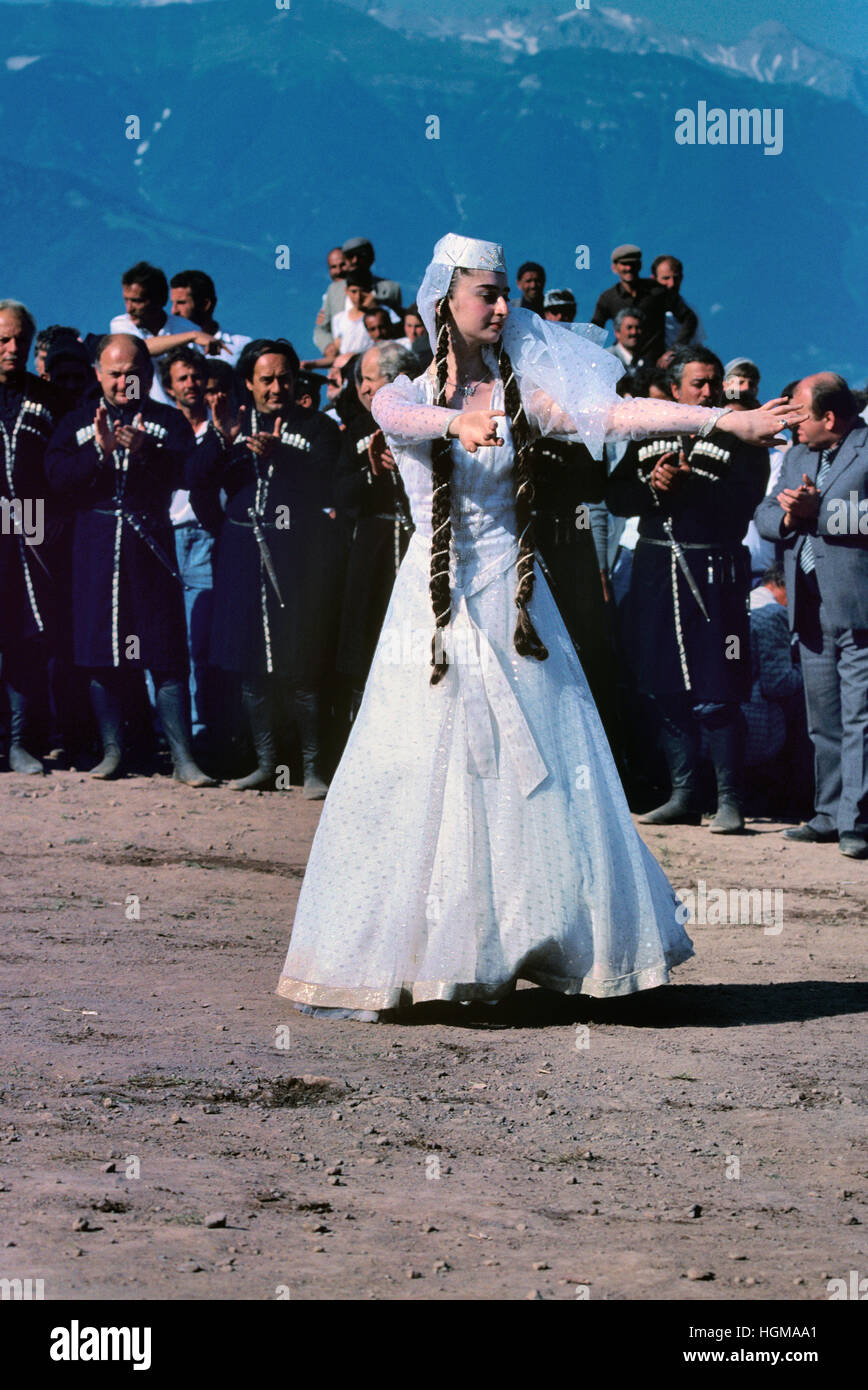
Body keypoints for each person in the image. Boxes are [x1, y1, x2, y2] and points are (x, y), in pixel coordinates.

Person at [276, 233, 794, 1022]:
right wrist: (456, 425)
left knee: (545, 772)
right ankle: (429, 953)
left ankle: (534, 939)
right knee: (425, 765)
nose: (502, 305)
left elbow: (612, 412)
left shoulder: (522, 395)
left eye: (503, 293)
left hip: (516, 605)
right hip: (438, 605)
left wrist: (723, 420)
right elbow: (399, 414)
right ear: (447, 303)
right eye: (486, 292)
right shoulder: (406, 388)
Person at [606, 346, 776, 834]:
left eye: (714, 382)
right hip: (657, 570)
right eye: (698, 384)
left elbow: (742, 503)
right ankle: (683, 794)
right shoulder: (651, 433)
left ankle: (729, 798)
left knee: (717, 686)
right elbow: (615, 497)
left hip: (713, 572)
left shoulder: (743, 435)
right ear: (675, 389)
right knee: (663, 684)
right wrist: (654, 487)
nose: (709, 392)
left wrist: (689, 488)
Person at [45, 334, 216, 786]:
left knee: (164, 649)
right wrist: (97, 452)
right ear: (99, 373)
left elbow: (188, 473)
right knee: (101, 651)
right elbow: (56, 479)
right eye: (115, 373)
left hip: (150, 544)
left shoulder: (167, 420)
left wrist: (146, 451)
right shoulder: (76, 421)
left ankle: (183, 757)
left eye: (134, 373)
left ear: (149, 375)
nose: (124, 382)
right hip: (95, 547)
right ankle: (114, 751)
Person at [189, 339, 346, 796]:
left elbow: (328, 482)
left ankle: (314, 769)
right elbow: (196, 480)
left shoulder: (318, 427)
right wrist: (220, 439)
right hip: (241, 556)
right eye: (267, 379)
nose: (277, 387)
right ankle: (265, 764)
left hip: (298, 555)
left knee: (302, 663)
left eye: (284, 378)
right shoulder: (232, 423)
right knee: (249, 665)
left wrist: (283, 456)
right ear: (248, 383)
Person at [754, 373, 868, 858]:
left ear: (829, 417)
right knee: (822, 716)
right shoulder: (797, 455)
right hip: (808, 606)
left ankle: (856, 823)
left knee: (860, 718)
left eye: (801, 413)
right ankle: (826, 813)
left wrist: (815, 512)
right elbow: (761, 513)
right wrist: (785, 517)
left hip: (858, 605)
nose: (792, 422)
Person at [335, 343, 417, 723]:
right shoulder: (356, 428)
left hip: (418, 547)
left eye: (371, 379)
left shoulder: (426, 418)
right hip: (370, 550)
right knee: (365, 640)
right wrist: (372, 472)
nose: (364, 389)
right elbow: (336, 491)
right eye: (360, 381)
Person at [160, 346, 236, 744]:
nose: (192, 386)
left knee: (198, 640)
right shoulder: (161, 428)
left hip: (205, 539)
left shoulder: (222, 427)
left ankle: (201, 729)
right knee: (160, 638)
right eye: (183, 379)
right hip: (162, 541)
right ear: (169, 388)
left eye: (197, 379)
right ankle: (165, 731)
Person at [0, 299, 61, 773]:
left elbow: (60, 470)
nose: (13, 348)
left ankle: (21, 742)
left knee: (24, 635)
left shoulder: (48, 397)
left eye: (20, 338)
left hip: (31, 528)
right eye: (3, 339)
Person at [110, 261, 229, 406]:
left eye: (137, 301)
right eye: (126, 300)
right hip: (139, 413)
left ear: (160, 300)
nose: (129, 309)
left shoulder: (187, 328)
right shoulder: (120, 324)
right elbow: (137, 350)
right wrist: (132, 410)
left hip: (181, 417)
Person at [592, 244, 697, 364]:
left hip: (655, 366)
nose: (628, 268)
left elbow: (689, 318)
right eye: (624, 264)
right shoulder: (608, 298)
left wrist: (674, 350)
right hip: (622, 366)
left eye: (633, 264)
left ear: (640, 266)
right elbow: (595, 328)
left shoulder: (658, 292)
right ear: (614, 268)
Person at [315, 238, 402, 354]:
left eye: (360, 256)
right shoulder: (334, 290)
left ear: (371, 259)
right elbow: (322, 328)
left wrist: (376, 306)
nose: (355, 261)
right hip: (343, 361)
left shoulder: (390, 289)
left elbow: (402, 327)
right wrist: (329, 347)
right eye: (350, 256)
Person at [169, 270, 251, 367]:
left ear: (205, 304)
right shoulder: (169, 344)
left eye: (181, 303)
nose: (174, 311)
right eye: (172, 303)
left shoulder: (241, 345)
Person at [607, 308, 648, 376]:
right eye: (629, 327)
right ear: (617, 332)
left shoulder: (646, 364)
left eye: (638, 328)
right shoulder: (607, 359)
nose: (634, 332)